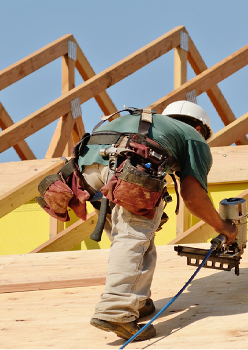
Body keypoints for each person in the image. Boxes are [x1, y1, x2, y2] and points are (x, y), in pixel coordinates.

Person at [77, 101, 237, 341]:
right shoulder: (194, 138)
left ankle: (137, 300)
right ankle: (116, 311)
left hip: (85, 169)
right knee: (134, 236)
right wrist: (221, 226)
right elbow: (193, 196)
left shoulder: (151, 123)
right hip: (125, 168)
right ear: (201, 128)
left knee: (133, 238)